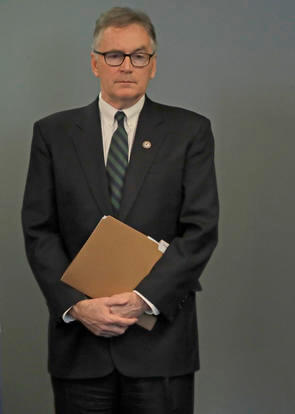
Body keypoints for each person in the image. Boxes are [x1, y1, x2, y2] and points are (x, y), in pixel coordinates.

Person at [21, 7, 218, 414]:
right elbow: (39, 231)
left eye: (138, 56)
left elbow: (200, 230)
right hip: (80, 346)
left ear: (154, 64)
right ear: (95, 62)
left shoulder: (190, 132)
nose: (126, 66)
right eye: (114, 55)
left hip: (159, 346)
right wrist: (76, 305)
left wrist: (144, 298)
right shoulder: (53, 134)